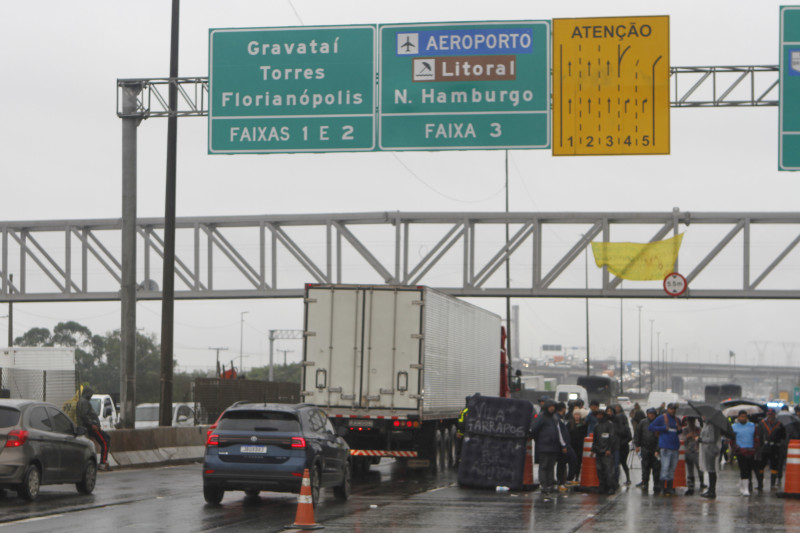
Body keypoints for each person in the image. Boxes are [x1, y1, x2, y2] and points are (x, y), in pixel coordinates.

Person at [648, 402, 681, 495]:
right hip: (665, 448)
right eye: (671, 408)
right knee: (665, 468)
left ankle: (669, 488)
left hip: (675, 448)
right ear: (668, 409)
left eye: (674, 409)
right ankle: (663, 488)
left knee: (672, 469)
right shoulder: (662, 418)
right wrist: (663, 428)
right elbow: (651, 427)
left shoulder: (677, 420)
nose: (673, 410)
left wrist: (679, 429)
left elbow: (678, 432)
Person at [76, 385, 112, 471]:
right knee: (105, 441)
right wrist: (92, 424)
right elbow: (84, 415)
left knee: (106, 439)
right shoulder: (84, 402)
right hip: (91, 427)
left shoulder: (84, 402)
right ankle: (103, 463)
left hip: (93, 426)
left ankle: (104, 462)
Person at [532, 400, 563, 496]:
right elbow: (534, 430)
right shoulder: (541, 417)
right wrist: (540, 440)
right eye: (550, 406)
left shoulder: (554, 418)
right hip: (544, 447)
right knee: (544, 466)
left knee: (551, 467)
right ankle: (544, 485)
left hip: (554, 447)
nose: (552, 408)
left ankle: (550, 485)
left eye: (553, 406)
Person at [756, 408, 786, 492]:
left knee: (774, 466)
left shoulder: (780, 424)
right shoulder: (762, 424)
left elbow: (783, 436)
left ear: (775, 415)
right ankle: (760, 484)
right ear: (767, 414)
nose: (770, 416)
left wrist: (779, 443)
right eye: (769, 414)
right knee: (761, 466)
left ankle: (772, 484)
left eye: (772, 414)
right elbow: (759, 435)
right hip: (764, 447)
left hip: (775, 447)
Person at [634, 408, 661, 495]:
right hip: (645, 448)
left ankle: (657, 485)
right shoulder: (642, 422)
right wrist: (637, 445)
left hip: (655, 449)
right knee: (645, 468)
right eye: (650, 413)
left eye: (653, 413)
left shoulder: (658, 422)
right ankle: (645, 483)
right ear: (647, 414)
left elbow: (661, 436)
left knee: (656, 469)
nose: (651, 415)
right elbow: (637, 434)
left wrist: (658, 449)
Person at [591, 408, 619, 494]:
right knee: (599, 470)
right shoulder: (596, 426)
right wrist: (593, 450)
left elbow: (612, 438)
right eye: (598, 415)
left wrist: (609, 449)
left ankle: (611, 487)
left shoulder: (610, 425)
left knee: (608, 471)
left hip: (607, 452)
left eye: (600, 415)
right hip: (598, 451)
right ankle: (602, 486)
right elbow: (595, 439)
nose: (599, 416)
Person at [731, 409, 757, 496]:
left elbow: (756, 437)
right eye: (742, 416)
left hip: (751, 451)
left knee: (749, 469)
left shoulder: (752, 426)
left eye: (745, 416)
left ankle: (744, 485)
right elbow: (731, 439)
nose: (743, 418)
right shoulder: (734, 427)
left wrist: (756, 447)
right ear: (738, 417)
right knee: (743, 469)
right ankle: (745, 489)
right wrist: (735, 448)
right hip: (740, 451)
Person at [698, 414, 722, 498]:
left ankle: (712, 490)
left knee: (711, 470)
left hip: (710, 450)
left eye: (704, 416)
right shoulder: (706, 425)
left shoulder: (711, 425)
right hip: (706, 449)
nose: (703, 417)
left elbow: (712, 439)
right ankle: (710, 489)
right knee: (709, 470)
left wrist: (701, 439)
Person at [555, 402, 575, 492]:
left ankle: (564, 480)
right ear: (563, 409)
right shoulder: (558, 419)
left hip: (564, 444)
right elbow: (560, 433)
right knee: (563, 463)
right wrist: (563, 445)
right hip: (563, 445)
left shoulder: (561, 418)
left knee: (564, 463)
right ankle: (561, 482)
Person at [682, 417, 703, 495]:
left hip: (696, 451)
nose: (691, 422)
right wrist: (687, 436)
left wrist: (696, 437)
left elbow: (702, 438)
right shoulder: (685, 430)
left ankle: (702, 482)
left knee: (699, 467)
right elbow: (681, 439)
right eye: (689, 420)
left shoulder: (698, 429)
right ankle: (691, 483)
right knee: (689, 468)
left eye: (692, 420)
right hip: (687, 451)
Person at [613, 404, 633, 485]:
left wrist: (622, 442)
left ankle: (627, 478)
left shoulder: (625, 428)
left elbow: (629, 437)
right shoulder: (615, 427)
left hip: (623, 447)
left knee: (622, 463)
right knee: (619, 463)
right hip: (620, 447)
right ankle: (619, 478)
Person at [567, 410, 587, 485]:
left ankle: (577, 476)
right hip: (572, 445)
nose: (577, 416)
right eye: (575, 415)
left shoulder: (583, 424)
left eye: (578, 415)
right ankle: (570, 476)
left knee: (579, 462)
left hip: (580, 445)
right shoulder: (570, 423)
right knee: (571, 461)